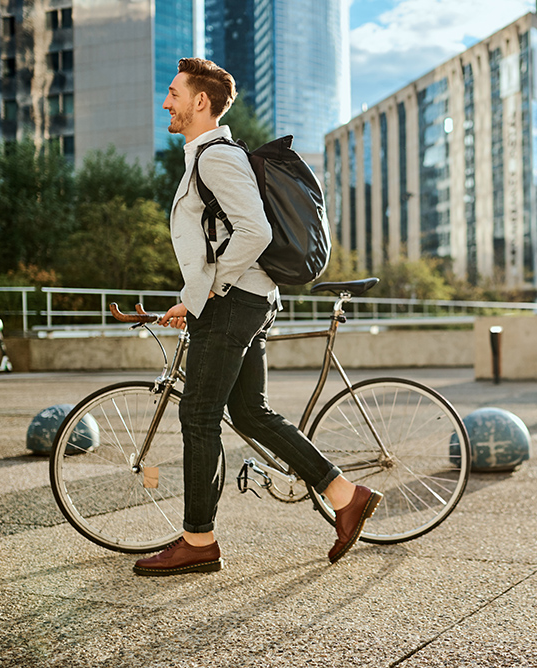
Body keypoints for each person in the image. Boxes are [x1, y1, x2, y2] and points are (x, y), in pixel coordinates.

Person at [133, 58, 381, 576]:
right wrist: (192, 298)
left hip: (234, 304)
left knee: (198, 416)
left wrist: (211, 292)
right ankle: (344, 494)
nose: (166, 102)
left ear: (200, 101)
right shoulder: (210, 157)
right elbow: (222, 239)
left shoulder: (215, 158)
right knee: (249, 414)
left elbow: (254, 233)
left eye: (174, 93)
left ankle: (198, 541)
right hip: (246, 299)